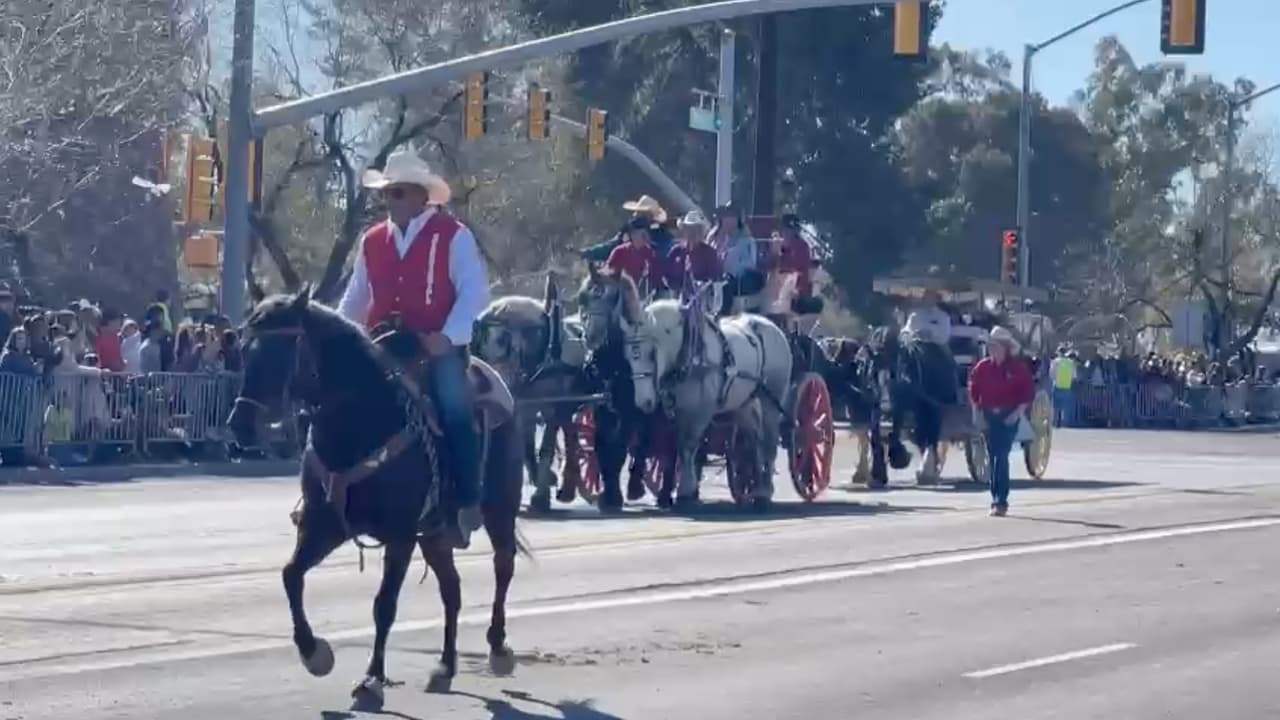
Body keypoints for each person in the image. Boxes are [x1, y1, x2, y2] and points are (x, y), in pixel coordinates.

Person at [337, 150, 490, 548]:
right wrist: (339, 336)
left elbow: (474, 292)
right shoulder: (372, 240)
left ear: (422, 195)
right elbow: (356, 298)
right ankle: (326, 491)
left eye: (398, 192)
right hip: (383, 344)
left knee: (454, 408)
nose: (390, 200)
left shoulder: (453, 234)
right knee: (336, 401)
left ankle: (466, 502)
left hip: (435, 346)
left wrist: (448, 336)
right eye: (386, 193)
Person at [968, 326, 1035, 517]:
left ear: (1005, 348)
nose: (992, 349)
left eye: (996, 346)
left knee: (1001, 456)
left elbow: (1027, 393)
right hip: (989, 416)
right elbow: (974, 391)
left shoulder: (1018, 369)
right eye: (990, 346)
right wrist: (977, 413)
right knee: (993, 457)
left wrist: (1017, 413)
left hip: (1008, 417)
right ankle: (995, 497)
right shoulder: (982, 367)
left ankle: (1000, 501)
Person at [665, 210, 722, 298]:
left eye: (697, 229)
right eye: (690, 229)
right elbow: (666, 276)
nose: (693, 233)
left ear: (702, 232)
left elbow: (715, 279)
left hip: (701, 299)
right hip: (676, 299)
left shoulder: (709, 253)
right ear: (685, 230)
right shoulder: (676, 252)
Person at [604, 216, 662, 294]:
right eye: (641, 234)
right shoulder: (619, 251)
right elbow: (608, 271)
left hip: (643, 293)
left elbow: (656, 276)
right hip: (621, 292)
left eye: (645, 234)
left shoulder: (650, 253)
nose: (645, 237)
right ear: (632, 234)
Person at [1050, 346, 1077, 427]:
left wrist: (1055, 379)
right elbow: (1074, 376)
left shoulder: (1055, 362)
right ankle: (1064, 422)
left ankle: (1056, 422)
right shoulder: (1071, 362)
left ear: (1058, 352)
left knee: (1056, 405)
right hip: (1067, 386)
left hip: (1057, 385)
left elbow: (1051, 374)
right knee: (1065, 406)